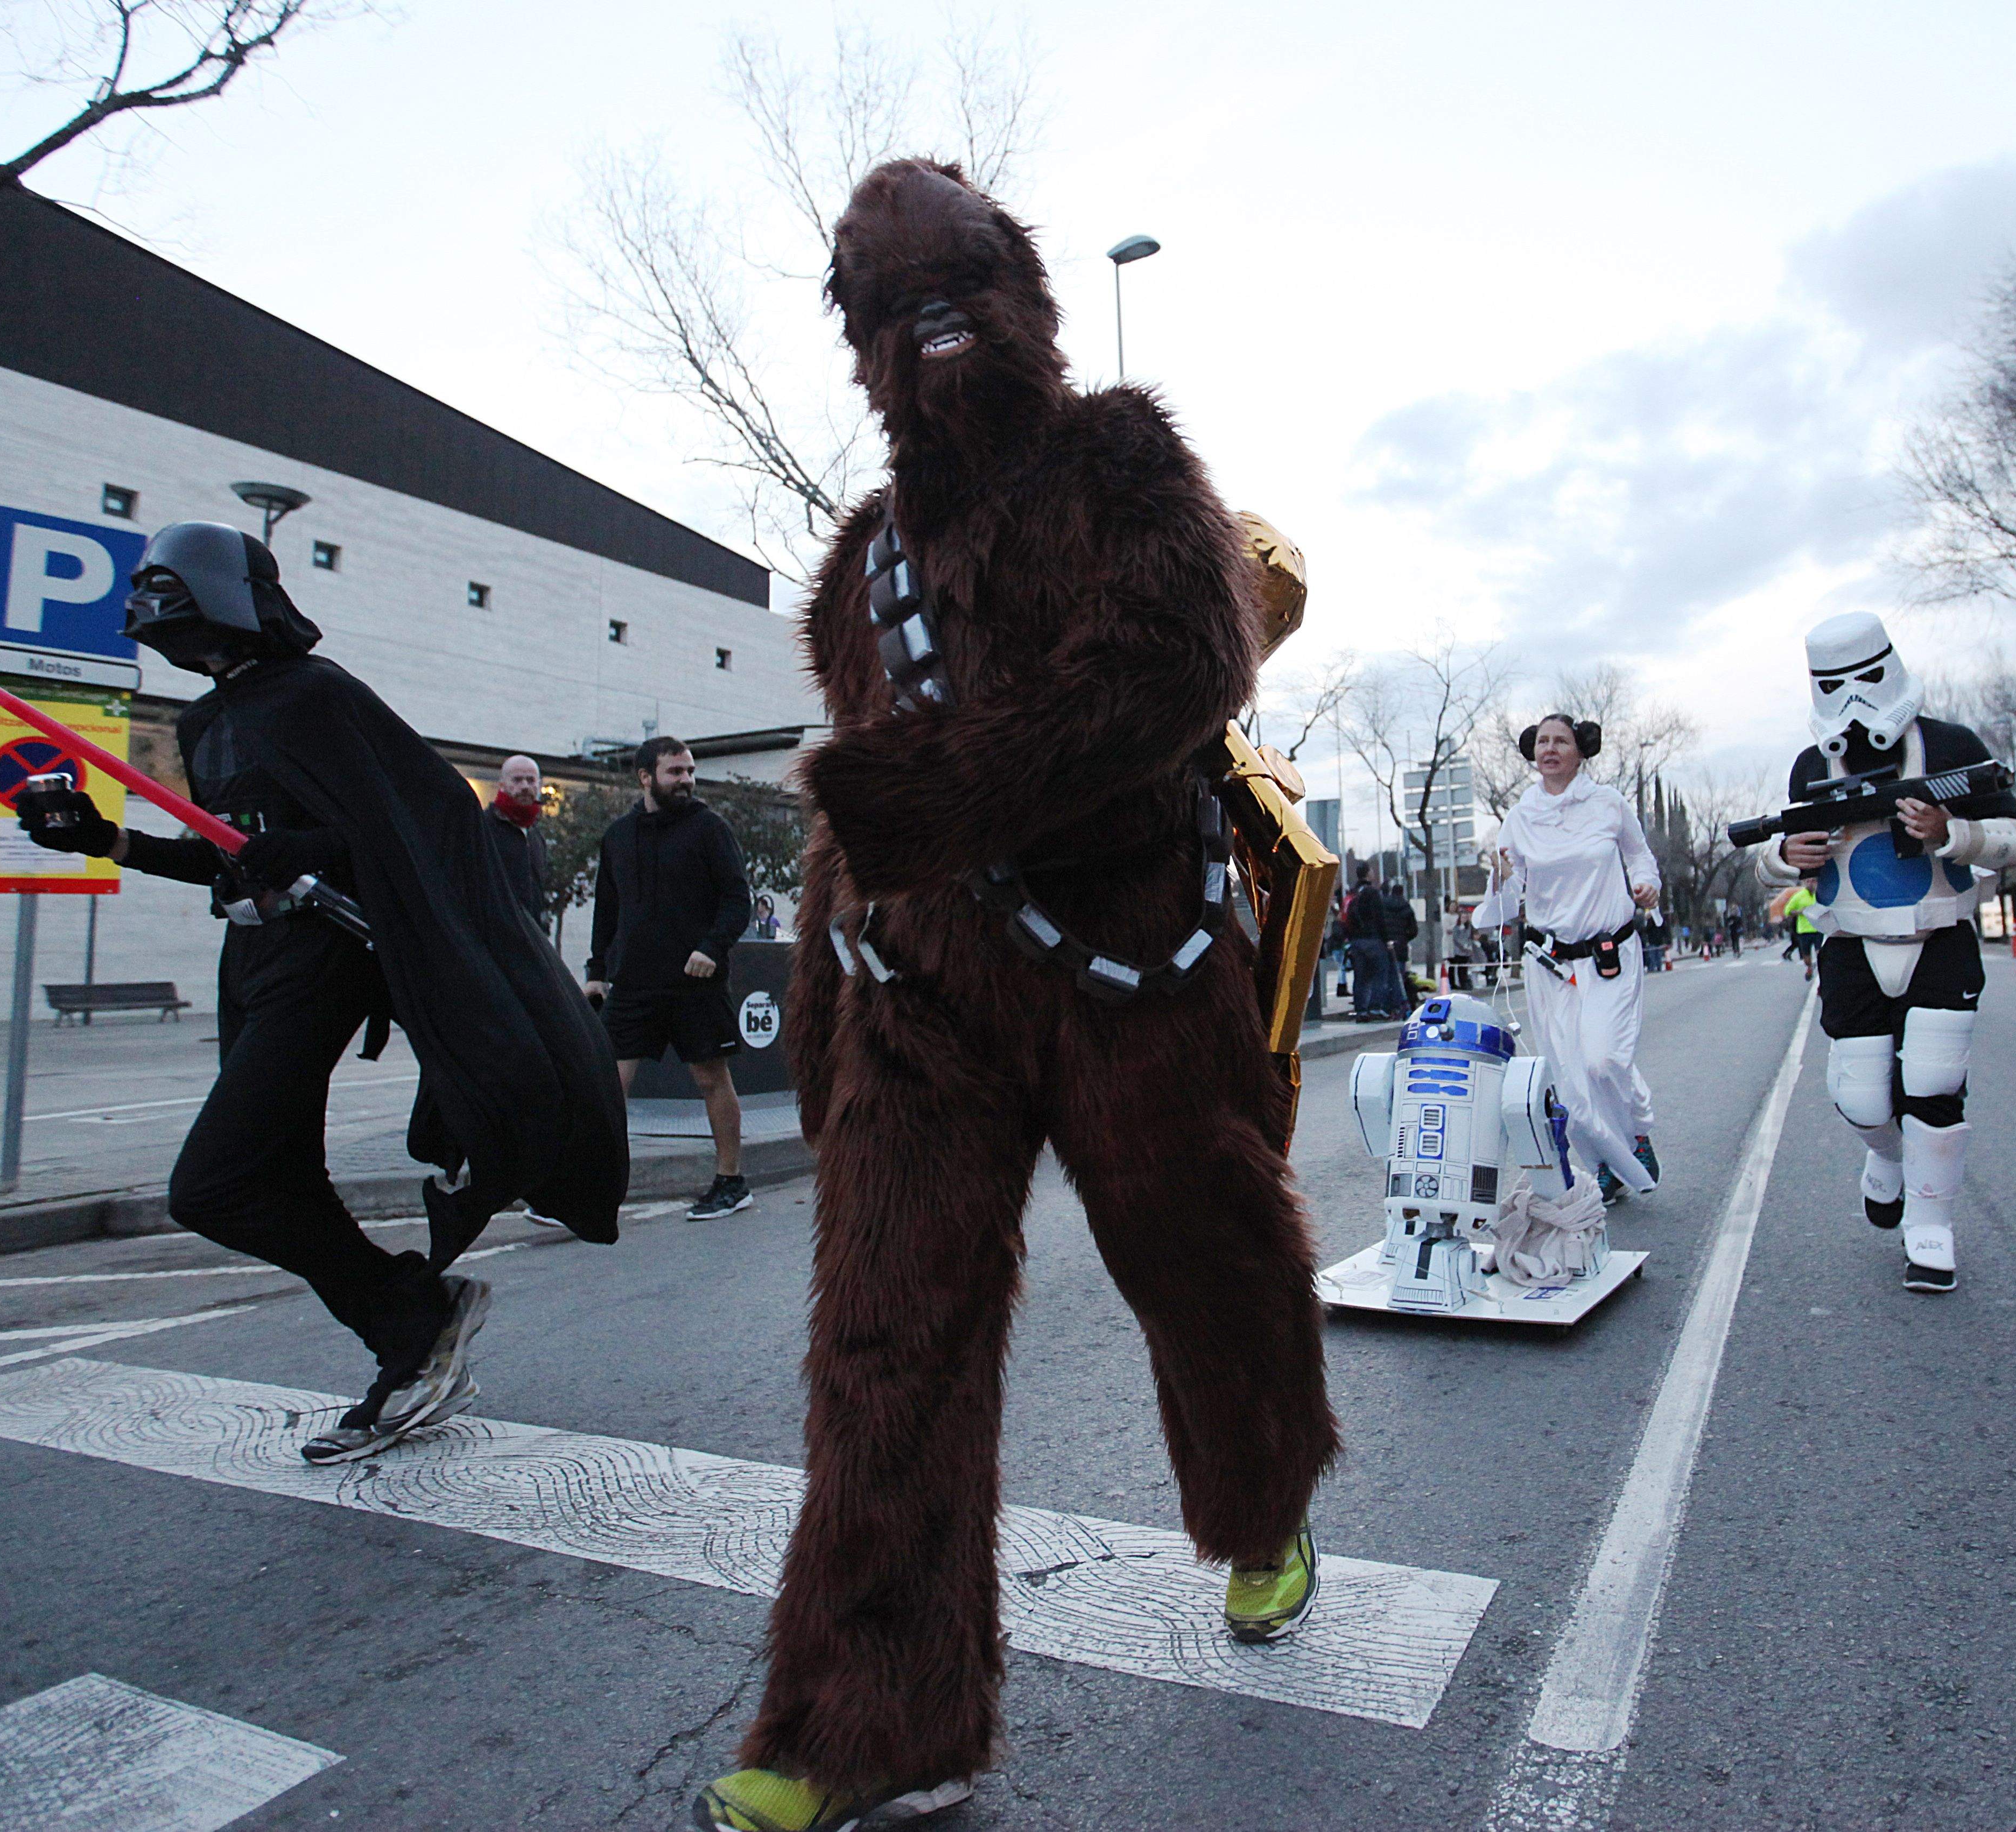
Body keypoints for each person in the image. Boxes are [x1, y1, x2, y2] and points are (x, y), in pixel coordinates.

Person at [696, 160, 1338, 1831]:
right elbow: (848, 835)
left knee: (1205, 1260)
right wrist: (824, 1023)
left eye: (963, 288)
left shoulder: (1122, 461)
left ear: (1029, 299)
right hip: (919, 1006)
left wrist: (932, 794)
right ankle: (860, 1724)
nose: (936, 329)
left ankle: (1263, 1505)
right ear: (862, 350)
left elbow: (1179, 665)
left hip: (1139, 970)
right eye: (893, 310)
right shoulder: (857, 569)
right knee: (883, 1344)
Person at [16, 522, 627, 1464]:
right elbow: (229, 856)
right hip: (251, 961)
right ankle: (409, 1333)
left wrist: (321, 844)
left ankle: (412, 1314)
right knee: (270, 1177)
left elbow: (424, 817)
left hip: (325, 958)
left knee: (212, 1184)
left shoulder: (317, 694)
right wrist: (108, 840)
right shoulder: (205, 723)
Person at [1752, 612, 2016, 1294]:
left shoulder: (1951, 747)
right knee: (1859, 1096)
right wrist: (1785, 855)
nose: (1852, 698)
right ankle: (1886, 1155)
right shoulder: (1809, 767)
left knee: (1934, 1085)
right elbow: (1776, 861)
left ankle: (1930, 1224)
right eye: (1834, 682)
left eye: (1863, 677)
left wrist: (1953, 832)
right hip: (1849, 942)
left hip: (1939, 934)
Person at [1477, 713, 1663, 1197]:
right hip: (1550, 964)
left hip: (1608, 956)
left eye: (1560, 741)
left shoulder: (1608, 804)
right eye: (1542, 742)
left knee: (1603, 1060)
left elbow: (1639, 856)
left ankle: (1636, 1134)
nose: (1550, 749)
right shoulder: (1519, 818)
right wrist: (1500, 876)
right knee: (1570, 1082)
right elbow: (1509, 896)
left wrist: (1647, 885)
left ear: (1581, 750)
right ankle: (1605, 1164)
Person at [584, 737, 755, 1222]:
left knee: (711, 1079)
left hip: (695, 984)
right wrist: (596, 972)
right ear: (645, 777)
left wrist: (711, 948)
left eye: (689, 771)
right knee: (607, 1084)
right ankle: (592, 1188)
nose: (686, 780)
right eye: (675, 772)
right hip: (633, 985)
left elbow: (737, 901)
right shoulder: (619, 836)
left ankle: (731, 1181)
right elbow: (606, 911)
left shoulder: (710, 829)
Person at [483, 754, 549, 920]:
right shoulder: (484, 828)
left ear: (539, 785)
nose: (525, 786)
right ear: (502, 785)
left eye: (531, 780)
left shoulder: (535, 835)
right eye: (517, 780)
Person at [1343, 874, 1402, 1019]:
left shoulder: (1354, 902)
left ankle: (1361, 1009)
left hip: (1358, 943)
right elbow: (1381, 921)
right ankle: (1375, 1007)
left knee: (1360, 977)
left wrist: (1352, 939)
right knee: (1380, 974)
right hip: (1374, 941)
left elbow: (1347, 922)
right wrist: (1387, 939)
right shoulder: (1375, 900)